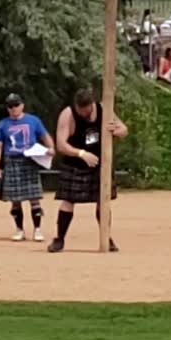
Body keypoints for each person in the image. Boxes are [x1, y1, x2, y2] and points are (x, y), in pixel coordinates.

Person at [48, 88, 128, 253]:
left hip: (100, 164)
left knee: (103, 201)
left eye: (86, 110)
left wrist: (116, 131)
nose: (83, 113)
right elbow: (61, 144)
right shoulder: (68, 114)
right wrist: (81, 154)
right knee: (68, 200)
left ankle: (106, 238)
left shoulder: (103, 110)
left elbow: (124, 130)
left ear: (92, 104)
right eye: (80, 109)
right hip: (74, 165)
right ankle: (59, 239)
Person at [0, 94, 56, 242]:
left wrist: (51, 148)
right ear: (7, 108)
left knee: (34, 198)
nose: (13, 108)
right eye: (10, 106)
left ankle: (38, 230)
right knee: (15, 200)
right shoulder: (3, 124)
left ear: (22, 105)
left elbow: (45, 135)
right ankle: (19, 230)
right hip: (11, 161)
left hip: (29, 160)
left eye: (16, 105)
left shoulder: (33, 120)